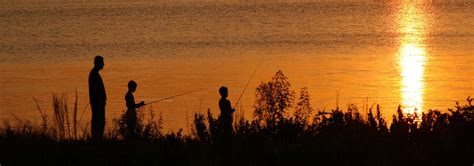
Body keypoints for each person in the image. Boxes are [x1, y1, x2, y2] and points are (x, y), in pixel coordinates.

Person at [88, 55, 107, 140]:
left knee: (99, 121)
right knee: (98, 121)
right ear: (97, 63)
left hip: (98, 102)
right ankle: (97, 139)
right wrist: (101, 100)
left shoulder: (95, 73)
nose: (103, 64)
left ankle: (98, 138)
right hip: (97, 103)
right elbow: (95, 90)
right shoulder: (94, 74)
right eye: (102, 62)